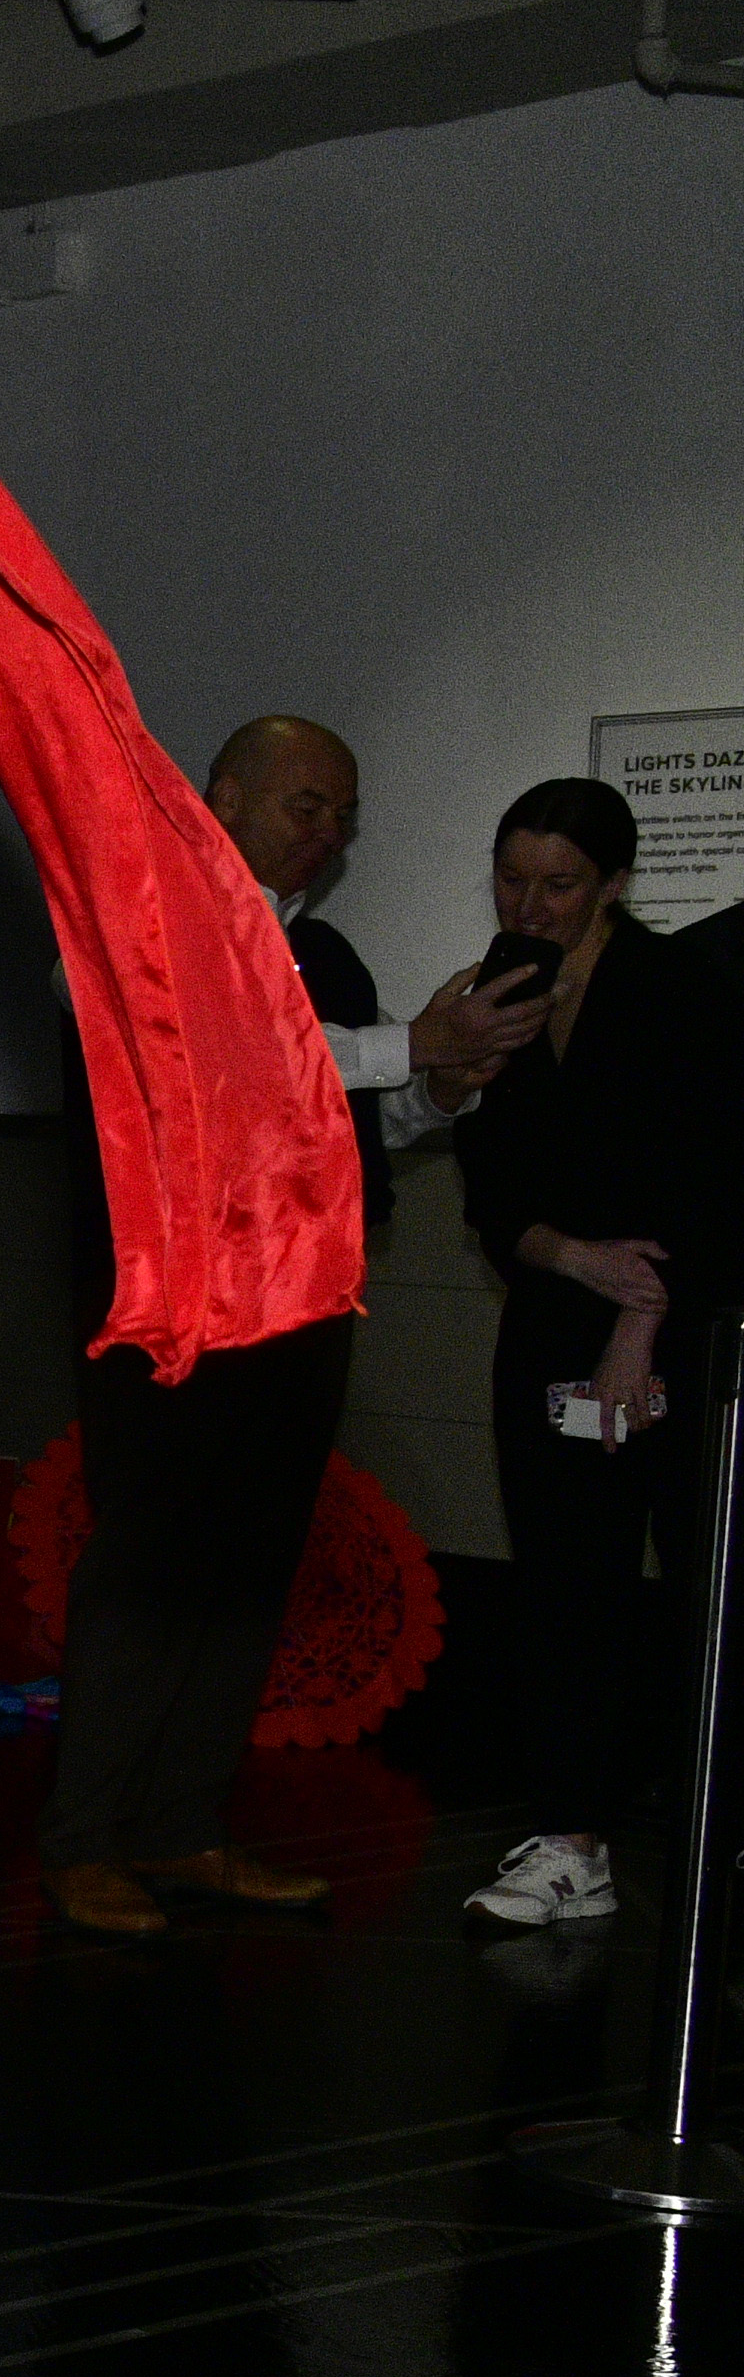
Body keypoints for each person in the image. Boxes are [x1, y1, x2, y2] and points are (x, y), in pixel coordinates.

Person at [36, 718, 541, 1940]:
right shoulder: (143, 921)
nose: (326, 836)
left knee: (249, 1569)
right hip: (178, 1308)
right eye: (305, 806)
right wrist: (398, 1050)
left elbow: (361, 1127)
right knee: (150, 1566)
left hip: (304, 1307)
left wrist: (437, 1087)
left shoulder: (328, 956)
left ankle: (184, 1826)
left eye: (342, 819)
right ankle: (82, 1839)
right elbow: (218, 1060)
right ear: (222, 798)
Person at [451, 778, 740, 1928]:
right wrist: (571, 1260)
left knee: (698, 1586)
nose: (530, 904)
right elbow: (491, 1188)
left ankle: (718, 1853)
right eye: (512, 878)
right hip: (553, 1320)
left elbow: (710, 1181)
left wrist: (639, 1321)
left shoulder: (685, 992)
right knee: (565, 1586)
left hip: (680, 1325)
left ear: (614, 884)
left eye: (558, 885)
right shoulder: (499, 989)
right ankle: (571, 1842)